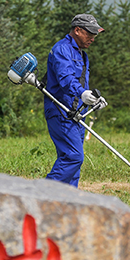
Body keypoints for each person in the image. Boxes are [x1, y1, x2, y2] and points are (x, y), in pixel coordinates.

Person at [44, 13, 107, 187]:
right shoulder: (62, 49)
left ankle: (68, 199)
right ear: (78, 30)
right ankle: (39, 193)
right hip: (61, 111)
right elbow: (66, 79)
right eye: (90, 33)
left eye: (95, 34)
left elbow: (81, 85)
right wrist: (82, 93)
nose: (93, 38)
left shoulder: (82, 54)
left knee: (72, 163)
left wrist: (93, 99)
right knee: (74, 157)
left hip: (77, 113)